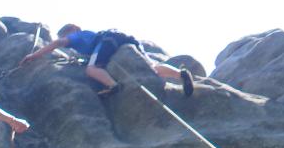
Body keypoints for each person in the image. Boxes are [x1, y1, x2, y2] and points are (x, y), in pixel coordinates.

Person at [19, 24, 195, 97]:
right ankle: (180, 74)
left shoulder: (77, 36)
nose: (65, 42)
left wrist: (34, 56)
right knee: (151, 67)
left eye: (64, 35)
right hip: (124, 39)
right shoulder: (87, 38)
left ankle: (113, 86)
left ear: (72, 30)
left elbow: (58, 43)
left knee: (91, 69)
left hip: (107, 41)